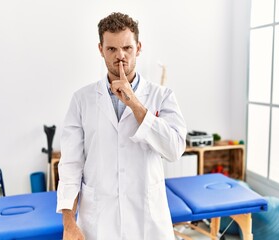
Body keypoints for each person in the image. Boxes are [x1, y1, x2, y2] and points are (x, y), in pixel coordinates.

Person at [56, 12, 187, 240]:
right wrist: (68, 222)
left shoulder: (162, 96)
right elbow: (70, 166)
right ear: (100, 49)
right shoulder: (82, 99)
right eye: (112, 49)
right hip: (99, 221)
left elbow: (175, 149)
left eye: (127, 48)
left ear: (139, 47)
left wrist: (135, 104)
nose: (120, 56)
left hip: (148, 220)